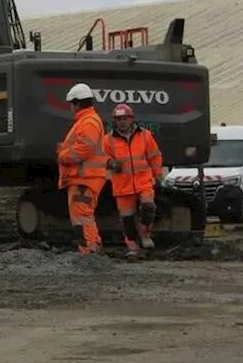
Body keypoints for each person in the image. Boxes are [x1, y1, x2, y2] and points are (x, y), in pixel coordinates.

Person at [102, 102, 163, 258]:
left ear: (131, 119)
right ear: (114, 121)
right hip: (122, 184)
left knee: (148, 207)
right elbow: (100, 158)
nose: (122, 121)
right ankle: (133, 248)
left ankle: (145, 236)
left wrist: (157, 175)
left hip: (143, 180)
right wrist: (110, 163)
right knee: (127, 220)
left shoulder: (145, 135)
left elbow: (154, 156)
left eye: (125, 118)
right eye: (118, 118)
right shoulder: (107, 140)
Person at [57, 83, 109, 254]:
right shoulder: (87, 121)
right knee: (84, 215)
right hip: (84, 178)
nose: (70, 107)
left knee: (81, 215)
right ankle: (94, 246)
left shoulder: (88, 122)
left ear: (77, 103)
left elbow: (84, 149)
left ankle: (88, 251)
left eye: (71, 104)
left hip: (85, 178)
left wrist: (63, 156)